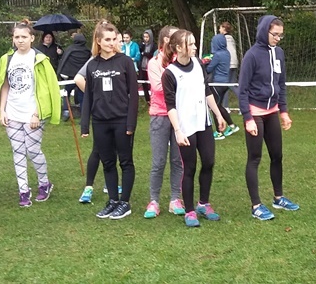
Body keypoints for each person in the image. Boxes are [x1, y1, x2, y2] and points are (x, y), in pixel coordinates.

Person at [162, 29, 227, 227]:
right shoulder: (170, 73)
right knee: (189, 167)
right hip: (185, 127)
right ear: (178, 47)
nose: (195, 47)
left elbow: (206, 91)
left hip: (203, 123)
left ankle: (203, 204)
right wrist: (178, 130)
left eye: (194, 43)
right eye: (190, 44)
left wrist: (218, 114)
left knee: (208, 162)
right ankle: (189, 211)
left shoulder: (198, 64)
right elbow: (170, 106)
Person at [239, 15, 298, 221]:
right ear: (265, 32)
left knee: (277, 155)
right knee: (254, 158)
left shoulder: (279, 53)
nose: (278, 39)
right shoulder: (252, 56)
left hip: (272, 111)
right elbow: (242, 90)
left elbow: (281, 84)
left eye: (281, 35)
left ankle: (278, 198)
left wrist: (284, 111)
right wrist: (247, 118)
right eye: (275, 34)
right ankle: (256, 205)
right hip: (255, 113)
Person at [0, 20, 60, 207]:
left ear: (32, 38)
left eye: (24, 37)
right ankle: (23, 191)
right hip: (12, 113)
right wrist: (2, 110)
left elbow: (46, 89)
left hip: (33, 114)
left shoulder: (40, 60)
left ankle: (44, 183)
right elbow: (4, 85)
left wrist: (36, 114)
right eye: (17, 37)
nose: (20, 40)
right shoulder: (6, 59)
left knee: (33, 151)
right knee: (18, 152)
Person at [80, 21, 139, 220]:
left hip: (122, 120)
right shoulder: (92, 65)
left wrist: (131, 123)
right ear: (98, 40)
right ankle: (113, 200)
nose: (111, 43)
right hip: (100, 122)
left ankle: (124, 203)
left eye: (114, 39)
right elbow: (88, 96)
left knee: (125, 161)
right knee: (107, 162)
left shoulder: (125, 62)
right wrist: (85, 124)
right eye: (107, 39)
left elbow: (134, 95)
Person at [144, 26, 186, 218]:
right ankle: (154, 201)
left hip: (180, 116)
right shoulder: (154, 63)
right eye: (174, 37)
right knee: (159, 161)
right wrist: (179, 84)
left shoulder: (181, 61)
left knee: (178, 159)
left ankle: (175, 198)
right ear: (166, 40)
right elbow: (159, 88)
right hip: (160, 115)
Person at [207, 33, 240, 139]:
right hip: (225, 83)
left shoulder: (217, 55)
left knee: (215, 107)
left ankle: (219, 132)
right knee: (219, 106)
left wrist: (205, 62)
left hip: (217, 84)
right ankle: (232, 126)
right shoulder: (227, 53)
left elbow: (209, 69)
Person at [56, 31, 92, 121]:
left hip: (71, 77)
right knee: (82, 96)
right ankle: (84, 115)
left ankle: (66, 111)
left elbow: (64, 60)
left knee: (66, 93)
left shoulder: (70, 49)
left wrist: (59, 73)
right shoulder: (87, 50)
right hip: (82, 77)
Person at [220, 21, 239, 109]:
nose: (219, 30)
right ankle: (243, 104)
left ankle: (225, 106)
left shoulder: (223, 39)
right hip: (234, 63)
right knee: (232, 84)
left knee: (225, 84)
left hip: (227, 63)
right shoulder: (231, 38)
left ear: (224, 28)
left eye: (220, 28)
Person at [139, 29, 156, 104]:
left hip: (150, 67)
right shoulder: (143, 45)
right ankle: (147, 99)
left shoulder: (153, 46)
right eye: (144, 37)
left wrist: (144, 53)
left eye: (147, 37)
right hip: (143, 66)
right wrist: (143, 50)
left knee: (152, 83)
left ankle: (153, 98)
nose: (145, 39)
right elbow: (140, 53)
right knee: (144, 83)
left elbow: (152, 55)